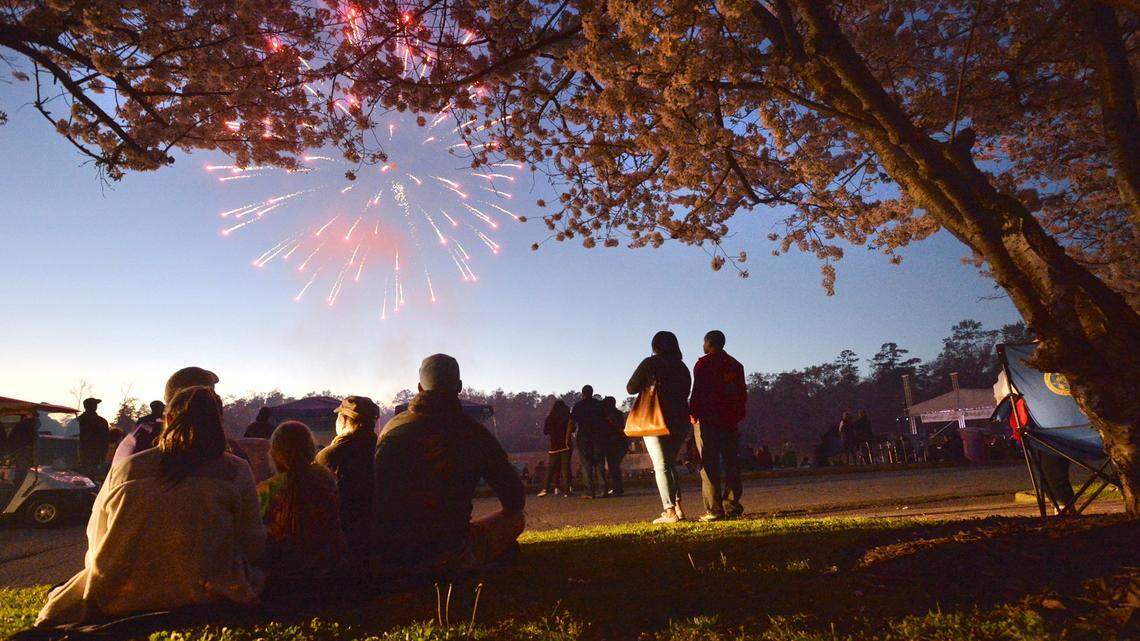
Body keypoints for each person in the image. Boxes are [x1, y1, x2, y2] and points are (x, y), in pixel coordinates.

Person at [36, 386, 265, 626]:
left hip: (117, 596)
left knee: (61, 589)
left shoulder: (127, 468)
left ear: (167, 420)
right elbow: (253, 543)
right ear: (218, 422)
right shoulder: (236, 470)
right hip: (208, 594)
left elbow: (97, 538)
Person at [372, 354, 525, 574]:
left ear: (419, 388)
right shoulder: (472, 432)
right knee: (515, 519)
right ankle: (464, 559)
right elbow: (515, 499)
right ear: (460, 386)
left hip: (391, 553)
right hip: (445, 550)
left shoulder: (391, 428)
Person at [259, 421, 344, 588]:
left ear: (276, 453)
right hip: (329, 568)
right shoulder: (328, 481)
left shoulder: (268, 489)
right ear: (311, 449)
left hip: (285, 573)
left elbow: (252, 531)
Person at [627, 331, 692, 524]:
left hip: (656, 417)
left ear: (655, 346)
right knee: (670, 463)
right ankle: (679, 508)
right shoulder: (682, 367)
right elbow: (685, 390)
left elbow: (631, 388)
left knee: (661, 465)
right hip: (680, 418)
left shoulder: (650, 363)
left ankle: (669, 511)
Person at [689, 330, 748, 521]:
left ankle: (714, 509)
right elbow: (741, 394)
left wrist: (693, 413)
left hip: (708, 420)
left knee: (709, 464)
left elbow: (698, 391)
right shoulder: (735, 365)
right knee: (731, 462)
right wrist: (738, 414)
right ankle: (731, 504)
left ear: (708, 343)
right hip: (729, 420)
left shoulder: (703, 364)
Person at [316, 395, 379, 560]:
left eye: (338, 415)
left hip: (342, 541)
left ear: (344, 419)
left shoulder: (330, 456)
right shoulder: (384, 451)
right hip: (377, 538)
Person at [571, 385, 608, 498]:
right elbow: (605, 419)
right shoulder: (599, 404)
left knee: (586, 464)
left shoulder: (578, 406)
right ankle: (603, 489)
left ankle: (589, 491)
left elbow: (572, 421)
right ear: (592, 392)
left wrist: (571, 433)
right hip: (598, 435)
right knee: (599, 463)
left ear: (583, 393)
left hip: (584, 436)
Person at [112, 400, 165, 465]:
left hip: (144, 449)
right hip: (147, 449)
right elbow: (133, 435)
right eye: (161, 408)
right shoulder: (163, 421)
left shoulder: (144, 420)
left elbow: (133, 434)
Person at [538, 400, 573, 497]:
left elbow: (545, 431)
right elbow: (572, 428)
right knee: (565, 468)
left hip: (554, 446)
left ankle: (545, 489)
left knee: (551, 468)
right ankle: (567, 491)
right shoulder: (567, 417)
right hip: (566, 445)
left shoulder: (550, 417)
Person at [601, 396, 627, 496]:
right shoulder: (619, 414)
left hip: (611, 443)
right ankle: (618, 487)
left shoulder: (606, 416)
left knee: (613, 466)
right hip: (620, 442)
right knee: (615, 466)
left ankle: (617, 488)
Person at [77, 397, 111, 472]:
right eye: (93, 404)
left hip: (92, 456)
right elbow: (106, 441)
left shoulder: (79, 420)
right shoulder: (102, 421)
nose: (95, 406)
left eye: (95, 405)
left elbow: (106, 441)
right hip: (88, 456)